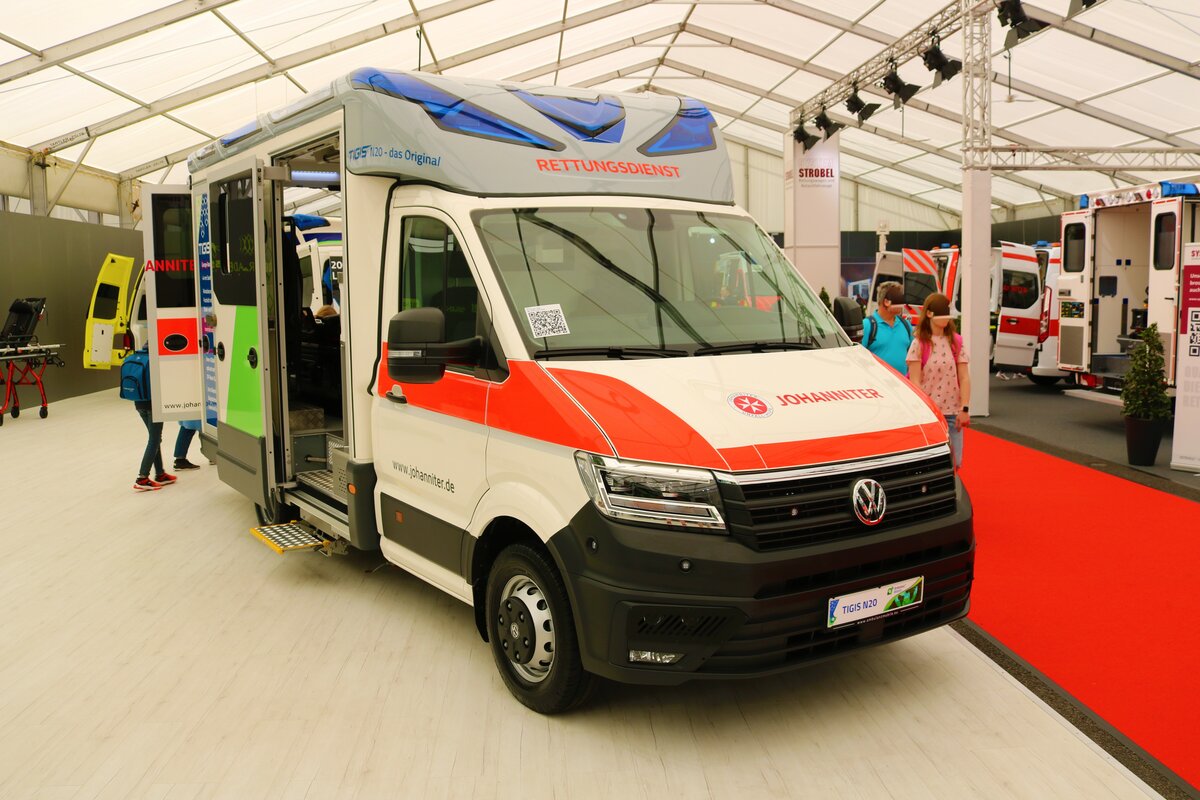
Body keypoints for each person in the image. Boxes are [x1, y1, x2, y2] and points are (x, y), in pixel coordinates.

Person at [907, 292, 970, 468]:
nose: (946, 318)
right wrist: (923, 411)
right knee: (932, 464)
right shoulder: (919, 344)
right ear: (929, 314)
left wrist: (964, 408)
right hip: (929, 415)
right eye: (942, 313)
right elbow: (915, 382)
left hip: (952, 412)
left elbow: (964, 377)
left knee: (956, 462)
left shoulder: (956, 342)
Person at [861, 281, 913, 375]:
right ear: (886, 302)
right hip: (877, 382)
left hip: (901, 382)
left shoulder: (906, 325)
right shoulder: (868, 325)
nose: (903, 306)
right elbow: (859, 357)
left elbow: (913, 355)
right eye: (899, 302)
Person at [134, 396, 176, 492]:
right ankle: (142, 478)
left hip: (139, 403)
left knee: (155, 439)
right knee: (154, 440)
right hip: (154, 406)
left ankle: (160, 474)